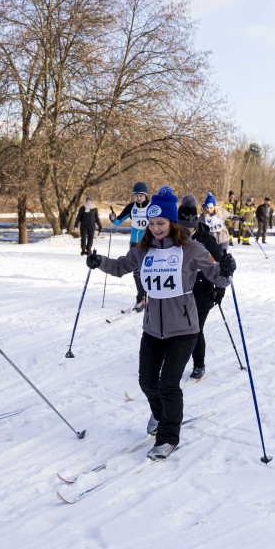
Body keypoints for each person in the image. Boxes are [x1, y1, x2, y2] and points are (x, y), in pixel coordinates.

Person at [87, 187, 235, 460]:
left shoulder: (191, 249)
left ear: (171, 223)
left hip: (184, 329)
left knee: (168, 384)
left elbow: (220, 278)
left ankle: (168, 437)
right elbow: (121, 267)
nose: (156, 228)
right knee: (146, 382)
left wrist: (227, 268)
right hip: (153, 328)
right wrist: (99, 262)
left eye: (161, 223)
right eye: (152, 223)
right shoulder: (144, 250)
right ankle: (160, 415)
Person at [177, 195, 225, 380]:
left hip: (202, 291)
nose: (185, 230)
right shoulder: (172, 239)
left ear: (195, 222)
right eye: (181, 226)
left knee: (195, 329)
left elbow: (221, 267)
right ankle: (176, 361)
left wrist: (220, 290)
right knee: (180, 328)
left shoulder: (207, 239)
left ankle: (199, 364)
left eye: (189, 226)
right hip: (180, 292)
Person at [109, 182, 151, 311]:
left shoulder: (151, 207)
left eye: (141, 196)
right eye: (136, 196)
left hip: (148, 242)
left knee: (148, 270)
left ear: (145, 195)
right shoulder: (131, 207)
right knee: (136, 270)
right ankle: (141, 298)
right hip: (134, 243)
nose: (138, 198)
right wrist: (113, 218)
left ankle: (152, 296)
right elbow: (117, 222)